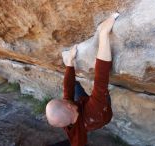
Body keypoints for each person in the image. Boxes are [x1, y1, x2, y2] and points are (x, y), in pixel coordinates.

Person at [46, 13, 119, 146]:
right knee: (101, 93)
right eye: (64, 101)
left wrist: (69, 63)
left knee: (74, 86)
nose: (65, 98)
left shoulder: (66, 117)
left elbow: (67, 89)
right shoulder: (93, 114)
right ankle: (102, 100)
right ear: (68, 106)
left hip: (81, 106)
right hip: (100, 114)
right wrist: (103, 35)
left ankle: (82, 89)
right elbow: (100, 80)